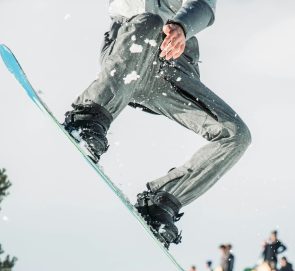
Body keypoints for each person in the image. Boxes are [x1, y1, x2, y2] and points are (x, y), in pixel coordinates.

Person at [63, 1, 251, 247]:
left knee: (236, 135)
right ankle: (88, 117)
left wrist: (181, 27)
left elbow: (203, 5)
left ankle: (161, 201)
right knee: (150, 20)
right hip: (131, 52)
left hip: (171, 73)